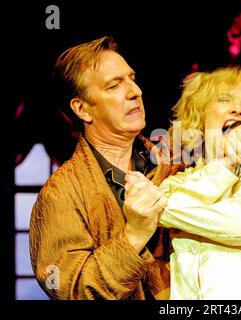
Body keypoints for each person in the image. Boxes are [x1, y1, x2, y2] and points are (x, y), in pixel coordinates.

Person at [125, 67, 241, 299]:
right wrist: (225, 165)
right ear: (201, 115)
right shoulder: (180, 177)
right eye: (224, 100)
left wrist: (151, 210)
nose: (238, 109)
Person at [29, 36, 170, 300]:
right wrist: (133, 236)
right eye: (114, 85)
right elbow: (73, 291)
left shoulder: (173, 161)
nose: (135, 91)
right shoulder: (59, 195)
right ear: (82, 109)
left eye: (131, 77)